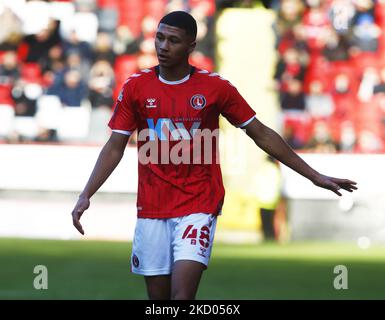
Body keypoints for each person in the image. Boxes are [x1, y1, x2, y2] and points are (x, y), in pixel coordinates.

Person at [71, 11, 358, 300]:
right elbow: (114, 147)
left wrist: (314, 176)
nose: (163, 46)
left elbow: (260, 133)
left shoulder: (215, 88)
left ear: (191, 46)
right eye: (159, 37)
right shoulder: (136, 87)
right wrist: (86, 194)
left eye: (173, 40)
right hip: (152, 206)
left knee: (181, 298)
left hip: (198, 204)